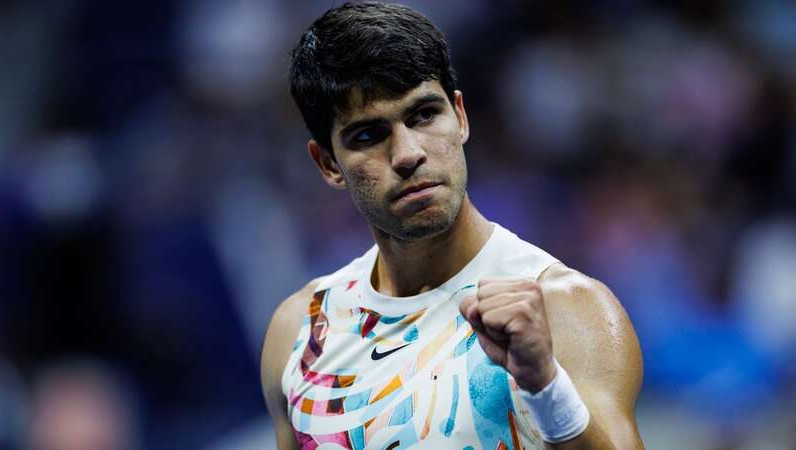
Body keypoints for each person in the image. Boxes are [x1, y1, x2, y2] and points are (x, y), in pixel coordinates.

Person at [261, 2, 644, 449]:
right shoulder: (300, 332)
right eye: (369, 135)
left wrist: (544, 384)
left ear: (459, 117)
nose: (408, 154)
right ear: (328, 163)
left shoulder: (567, 308)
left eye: (424, 114)